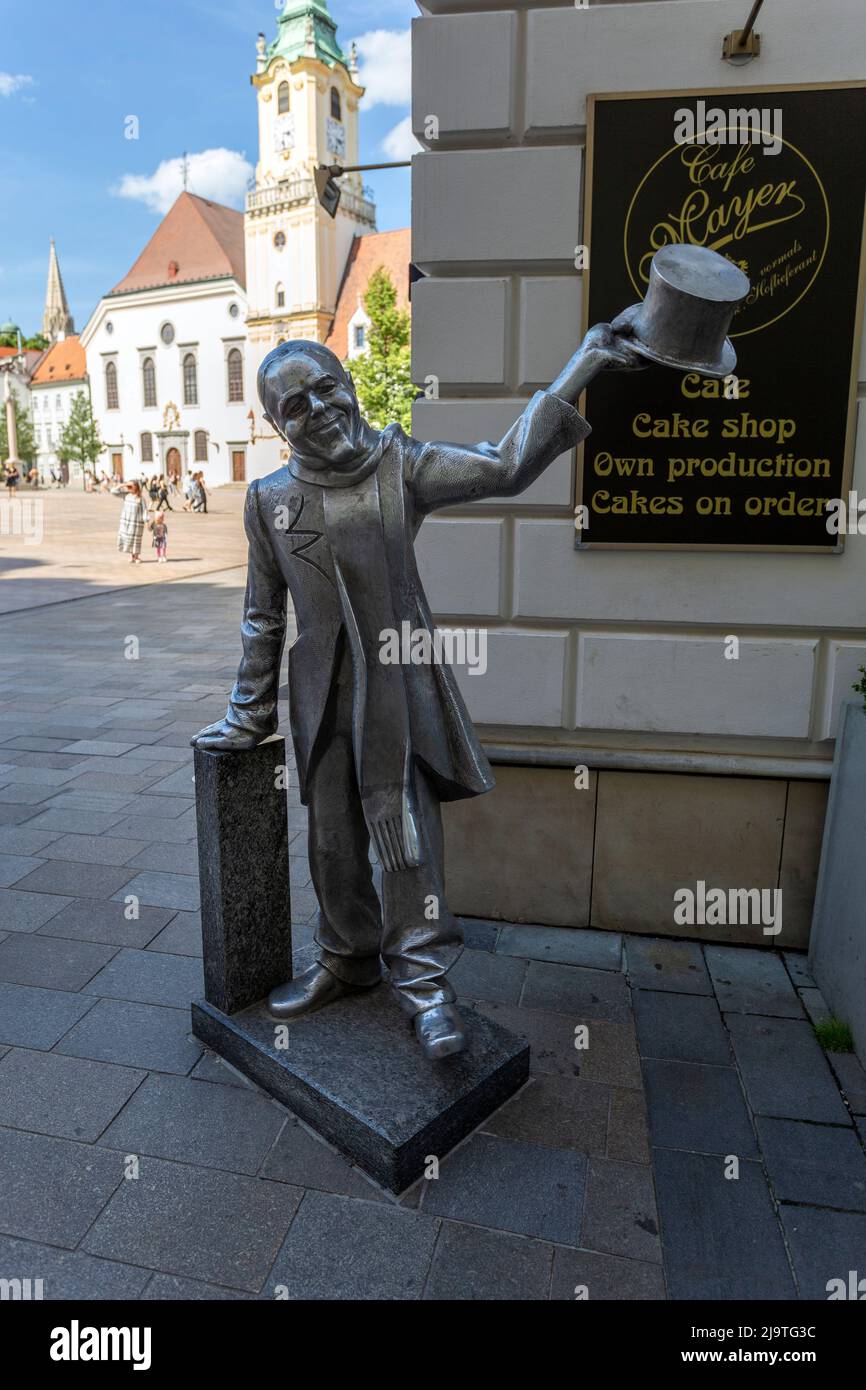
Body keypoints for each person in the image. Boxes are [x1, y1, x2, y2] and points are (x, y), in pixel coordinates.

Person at [191, 326, 642, 1059]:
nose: (320, 409)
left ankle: (426, 984)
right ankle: (346, 957)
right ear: (276, 426)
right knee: (332, 844)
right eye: (295, 406)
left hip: (397, 694)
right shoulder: (268, 498)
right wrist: (249, 713)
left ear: (350, 381)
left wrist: (584, 362)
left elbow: (504, 465)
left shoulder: (401, 466)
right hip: (321, 706)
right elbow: (261, 612)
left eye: (326, 387)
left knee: (406, 845)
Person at [116, 480, 149, 563]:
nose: (129, 488)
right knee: (129, 538)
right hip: (126, 522)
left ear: (136, 487)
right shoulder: (126, 495)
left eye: (131, 486)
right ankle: (131, 556)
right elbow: (114, 491)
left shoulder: (141, 499)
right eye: (129, 486)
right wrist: (123, 485)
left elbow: (145, 511)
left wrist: (147, 521)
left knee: (136, 540)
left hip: (137, 523)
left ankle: (136, 557)